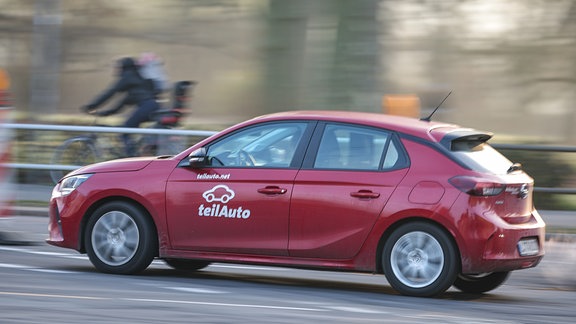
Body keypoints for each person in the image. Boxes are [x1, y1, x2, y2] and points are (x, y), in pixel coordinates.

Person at [82, 57, 160, 157]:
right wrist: (107, 112)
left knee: (124, 132)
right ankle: (134, 152)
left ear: (124, 67)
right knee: (127, 128)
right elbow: (124, 102)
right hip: (153, 106)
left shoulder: (128, 76)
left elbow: (110, 93)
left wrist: (92, 105)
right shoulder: (138, 79)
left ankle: (131, 160)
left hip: (146, 107)